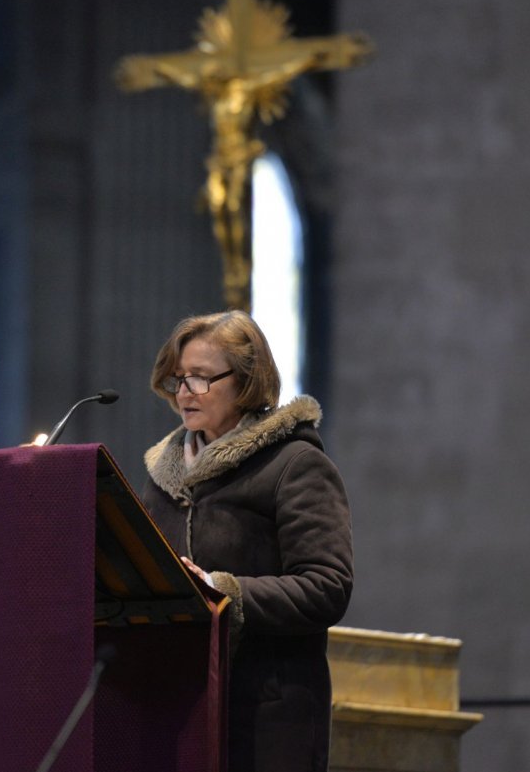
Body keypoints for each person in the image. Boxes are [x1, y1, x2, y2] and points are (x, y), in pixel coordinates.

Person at [141, 310, 353, 772]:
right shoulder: (162, 477)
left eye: (200, 378)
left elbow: (327, 586)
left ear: (246, 381)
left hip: (267, 718)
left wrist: (221, 589)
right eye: (178, 379)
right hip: (177, 708)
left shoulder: (294, 464)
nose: (183, 392)